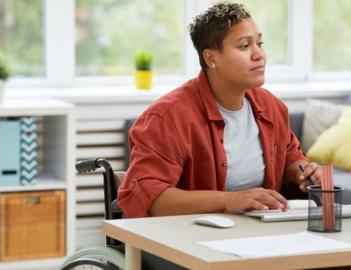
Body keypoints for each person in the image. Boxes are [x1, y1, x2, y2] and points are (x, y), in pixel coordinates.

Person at [118, 2, 322, 218]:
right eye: (244, 46)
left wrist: (303, 172)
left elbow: (290, 158)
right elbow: (151, 199)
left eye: (260, 43)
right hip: (188, 239)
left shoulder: (271, 107)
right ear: (211, 58)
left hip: (258, 235)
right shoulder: (166, 118)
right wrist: (231, 200)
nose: (259, 55)